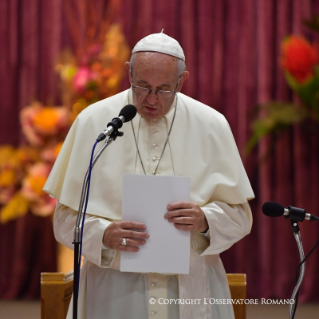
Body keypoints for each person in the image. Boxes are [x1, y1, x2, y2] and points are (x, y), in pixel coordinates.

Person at [44, 32, 254, 319]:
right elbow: (64, 221)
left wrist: (206, 219)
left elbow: (241, 218)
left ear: (182, 80)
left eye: (164, 89)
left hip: (190, 293)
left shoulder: (212, 125)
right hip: (113, 294)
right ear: (128, 71)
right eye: (142, 86)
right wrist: (103, 234)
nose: (152, 99)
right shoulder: (94, 122)